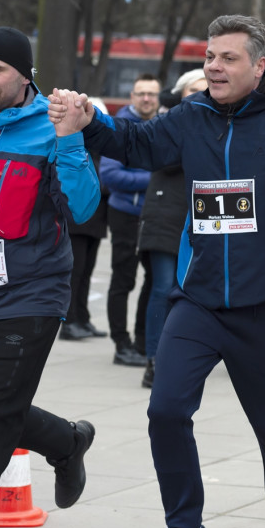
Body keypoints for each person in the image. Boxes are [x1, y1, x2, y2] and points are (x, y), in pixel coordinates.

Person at [49, 14, 265, 528]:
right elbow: (138, 145)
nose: (213, 66)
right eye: (209, 57)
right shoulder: (191, 116)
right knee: (165, 410)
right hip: (198, 299)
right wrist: (89, 119)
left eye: (227, 58)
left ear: (260, 65)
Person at [0, 27, 100, 528]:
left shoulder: (51, 128)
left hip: (31, 295)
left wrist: (70, 141)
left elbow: (83, 208)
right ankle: (66, 441)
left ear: (25, 75)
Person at [136, 69, 207, 389]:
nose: (199, 94)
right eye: (193, 89)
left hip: (203, 221)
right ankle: (154, 360)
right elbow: (160, 160)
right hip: (165, 217)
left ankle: (184, 358)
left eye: (204, 89)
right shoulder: (169, 122)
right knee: (163, 288)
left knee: (196, 293)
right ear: (179, 94)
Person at [101, 74, 160, 367]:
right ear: (132, 97)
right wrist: (153, 180)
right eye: (141, 94)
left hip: (155, 217)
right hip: (124, 213)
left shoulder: (164, 125)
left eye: (152, 94)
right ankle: (120, 343)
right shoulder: (118, 126)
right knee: (123, 279)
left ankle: (142, 341)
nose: (147, 99)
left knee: (154, 280)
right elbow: (110, 175)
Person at [61, 153, 109, 341]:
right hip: (77, 225)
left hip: (96, 223)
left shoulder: (99, 154)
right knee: (75, 274)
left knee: (86, 273)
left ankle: (82, 318)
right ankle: (68, 322)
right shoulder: (78, 152)